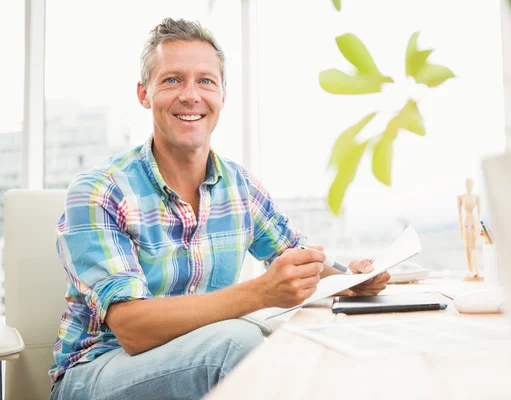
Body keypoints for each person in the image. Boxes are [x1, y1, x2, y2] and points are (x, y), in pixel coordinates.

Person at [49, 18, 390, 400]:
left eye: (206, 81)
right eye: (172, 80)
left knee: (292, 345)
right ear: (144, 94)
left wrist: (351, 281)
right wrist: (260, 293)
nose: (191, 95)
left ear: (223, 96)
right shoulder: (99, 190)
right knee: (238, 343)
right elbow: (131, 328)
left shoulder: (240, 187)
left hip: (201, 356)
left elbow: (296, 261)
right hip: (96, 371)